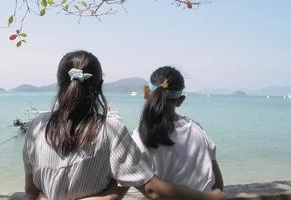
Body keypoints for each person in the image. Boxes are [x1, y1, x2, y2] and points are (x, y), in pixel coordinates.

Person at [23, 51, 224, 200]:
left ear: (60, 84)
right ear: (100, 86)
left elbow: (31, 192)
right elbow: (151, 189)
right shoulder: (111, 129)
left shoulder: (36, 127)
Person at [132, 66, 224, 192]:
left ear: (147, 93)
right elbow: (218, 185)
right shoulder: (198, 131)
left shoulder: (139, 136)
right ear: (180, 101)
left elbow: (150, 190)